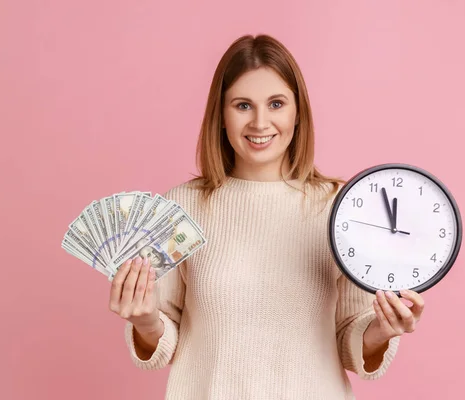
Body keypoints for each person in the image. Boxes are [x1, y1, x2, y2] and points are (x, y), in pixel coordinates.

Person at [107, 33, 425, 399]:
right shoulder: (180, 209)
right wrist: (145, 321)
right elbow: (163, 338)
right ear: (221, 116)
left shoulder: (342, 208)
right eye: (243, 105)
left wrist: (383, 330)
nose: (260, 122)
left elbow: (350, 338)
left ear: (298, 113)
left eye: (276, 104)